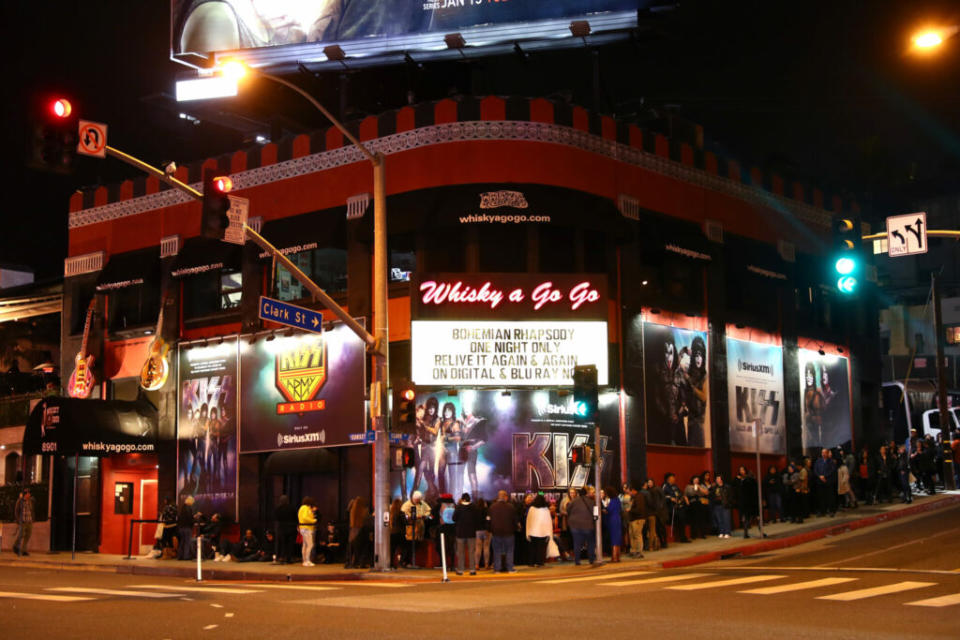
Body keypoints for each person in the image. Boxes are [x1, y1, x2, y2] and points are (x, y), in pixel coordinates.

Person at [488, 490, 519, 573]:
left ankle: (497, 569)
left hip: (496, 533)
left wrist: (491, 530)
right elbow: (515, 520)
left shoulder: (492, 507)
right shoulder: (511, 507)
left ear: (499, 497)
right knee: (509, 551)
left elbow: (488, 520)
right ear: (505, 497)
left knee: (497, 551)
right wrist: (515, 528)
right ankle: (510, 568)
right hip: (509, 533)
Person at [567, 487, 597, 565]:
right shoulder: (592, 502)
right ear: (587, 493)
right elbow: (596, 515)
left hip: (575, 526)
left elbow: (568, 510)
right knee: (590, 543)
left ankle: (577, 561)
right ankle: (591, 559)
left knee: (577, 543)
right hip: (588, 526)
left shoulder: (573, 501)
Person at [453, 492, 480, 575]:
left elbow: (454, 518)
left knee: (460, 552)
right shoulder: (474, 507)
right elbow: (477, 519)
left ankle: (461, 570)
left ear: (462, 499)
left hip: (460, 533)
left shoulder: (459, 507)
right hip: (471, 533)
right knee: (472, 552)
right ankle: (472, 570)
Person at [525, 494, 552, 567]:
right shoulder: (546, 509)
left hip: (532, 531)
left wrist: (527, 532)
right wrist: (549, 533)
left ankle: (531, 562)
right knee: (541, 548)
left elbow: (528, 520)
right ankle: (539, 562)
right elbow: (548, 521)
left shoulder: (532, 508)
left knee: (532, 548)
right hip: (543, 532)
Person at [662, 473, 690, 543]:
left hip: (679, 506)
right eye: (672, 477)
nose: (674, 479)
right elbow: (663, 496)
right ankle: (682, 538)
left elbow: (679, 493)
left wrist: (683, 497)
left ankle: (683, 537)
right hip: (671, 508)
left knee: (684, 517)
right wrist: (670, 498)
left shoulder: (675, 486)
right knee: (680, 518)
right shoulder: (665, 486)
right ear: (668, 479)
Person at [346, 496, 369, 569]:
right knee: (362, 548)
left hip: (353, 530)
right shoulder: (364, 511)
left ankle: (350, 563)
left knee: (352, 548)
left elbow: (347, 510)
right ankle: (361, 563)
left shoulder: (352, 510)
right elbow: (367, 520)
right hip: (361, 530)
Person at [274, 494, 298, 564]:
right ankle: (289, 559)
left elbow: (276, 518)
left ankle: (282, 557)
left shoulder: (278, 508)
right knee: (290, 544)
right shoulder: (292, 508)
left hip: (282, 528)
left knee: (283, 544)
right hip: (291, 528)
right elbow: (295, 518)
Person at [13, 488, 35, 556]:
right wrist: (18, 520)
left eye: (29, 493)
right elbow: (16, 511)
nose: (29, 494)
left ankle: (24, 550)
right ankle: (15, 546)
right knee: (21, 534)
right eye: (28, 493)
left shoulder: (30, 501)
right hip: (22, 521)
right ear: (25, 494)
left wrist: (33, 519)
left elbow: (32, 510)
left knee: (28, 536)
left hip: (29, 521)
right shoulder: (20, 501)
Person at [627, 485, 647, 557]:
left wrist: (630, 510)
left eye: (630, 490)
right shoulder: (634, 497)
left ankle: (639, 552)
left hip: (638, 519)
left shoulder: (639, 497)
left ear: (633, 490)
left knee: (637, 535)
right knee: (632, 535)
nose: (629, 492)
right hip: (633, 519)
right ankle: (633, 551)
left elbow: (639, 509)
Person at [298, 496, 318, 567]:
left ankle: (305, 560)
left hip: (304, 528)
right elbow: (305, 517)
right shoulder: (305, 508)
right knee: (310, 544)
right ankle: (307, 560)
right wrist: (313, 521)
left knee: (305, 545)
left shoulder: (302, 508)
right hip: (306, 528)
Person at [177, 496, 195, 561]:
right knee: (187, 542)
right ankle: (186, 556)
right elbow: (190, 519)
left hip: (181, 527)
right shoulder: (189, 508)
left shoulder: (183, 508)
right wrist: (194, 519)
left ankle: (180, 556)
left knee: (182, 542)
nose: (193, 503)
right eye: (193, 502)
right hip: (187, 527)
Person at [475, 497, 491, 569]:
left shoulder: (475, 511)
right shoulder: (487, 511)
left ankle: (477, 565)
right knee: (486, 548)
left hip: (478, 531)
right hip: (486, 531)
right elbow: (488, 520)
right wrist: (488, 529)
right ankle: (486, 564)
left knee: (478, 548)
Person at [389, 498, 404, 568]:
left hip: (391, 533)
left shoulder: (390, 513)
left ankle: (391, 564)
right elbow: (404, 523)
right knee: (403, 548)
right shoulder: (400, 513)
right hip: (399, 533)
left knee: (392, 550)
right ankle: (401, 562)